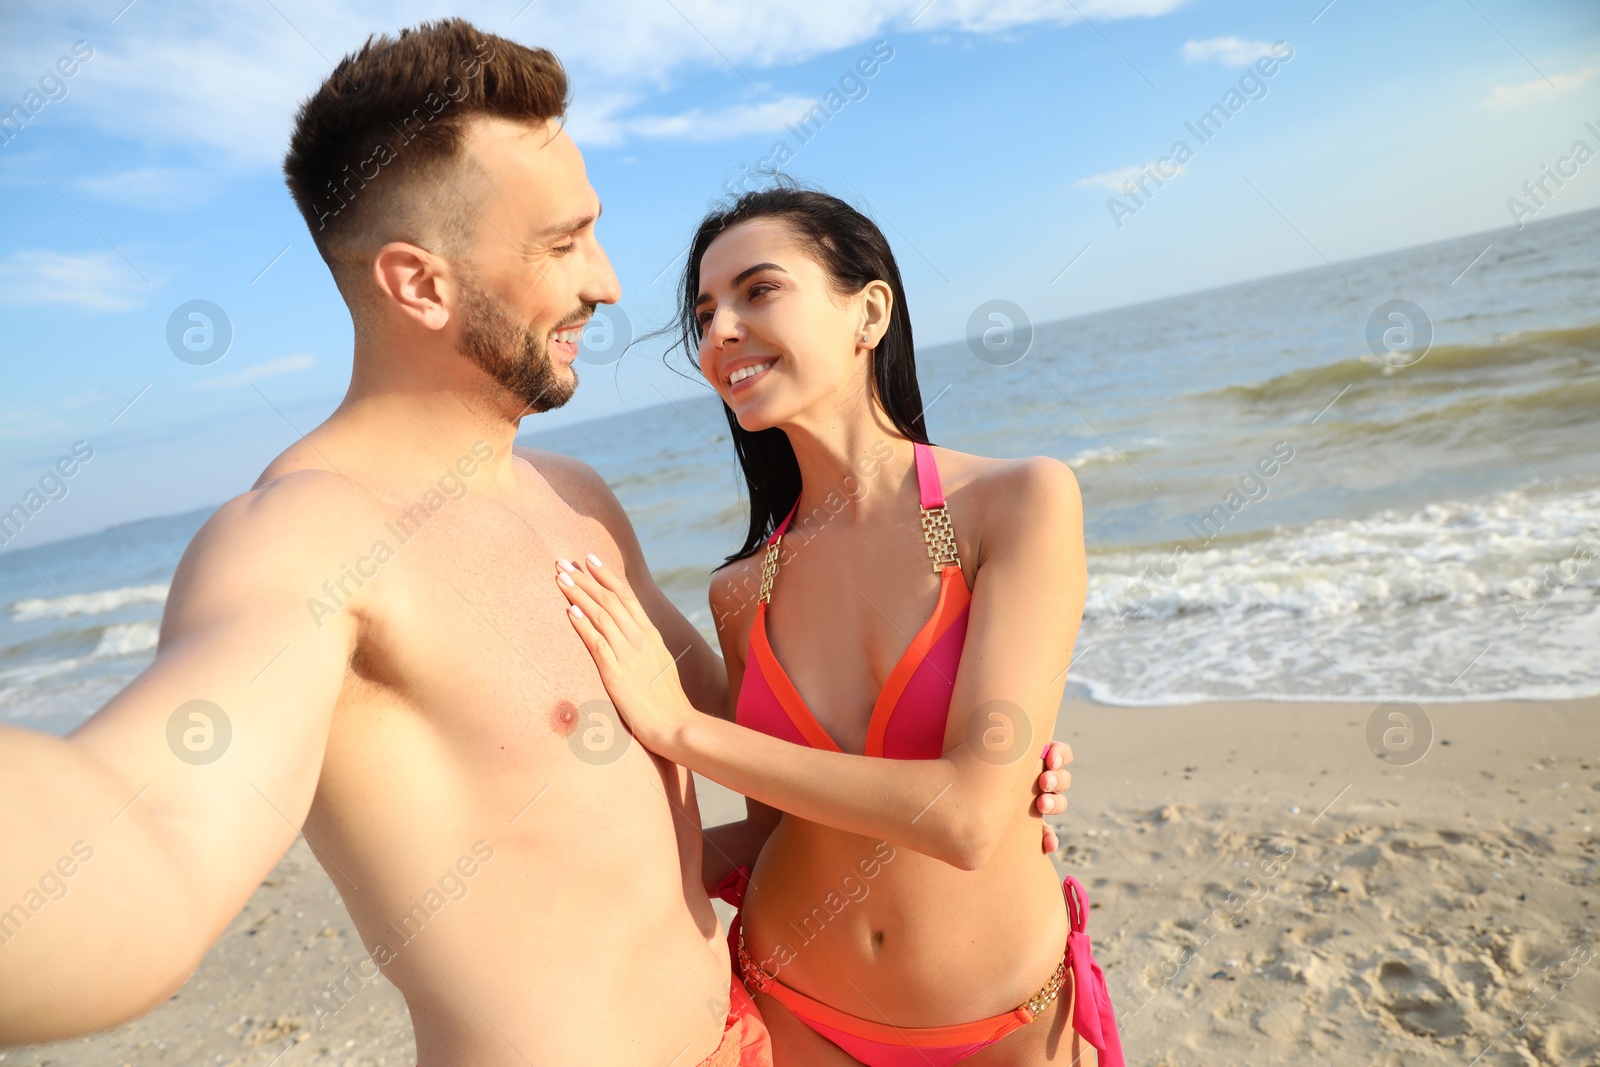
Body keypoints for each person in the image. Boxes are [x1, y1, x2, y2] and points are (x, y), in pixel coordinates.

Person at [0, 20, 1071, 1066]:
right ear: (420, 283)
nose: (608, 284)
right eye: (564, 244)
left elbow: (766, 766)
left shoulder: (577, 500)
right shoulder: (301, 540)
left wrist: (991, 764)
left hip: (757, 1027)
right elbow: (142, 841)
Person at [553, 187, 1124, 1065]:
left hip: (1005, 1024)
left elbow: (970, 818)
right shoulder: (744, 591)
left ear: (870, 312)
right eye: (705, 314)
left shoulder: (1016, 504)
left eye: (758, 290)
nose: (721, 332)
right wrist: (571, 860)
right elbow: (782, 827)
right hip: (797, 1008)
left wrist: (682, 729)